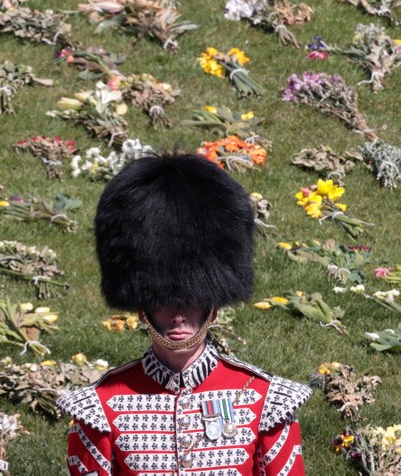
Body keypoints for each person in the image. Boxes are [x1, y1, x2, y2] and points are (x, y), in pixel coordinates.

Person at [58, 152, 311, 475]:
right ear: (143, 309)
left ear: (212, 307)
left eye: (191, 301)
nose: (178, 316)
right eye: (163, 301)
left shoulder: (264, 399)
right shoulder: (101, 405)